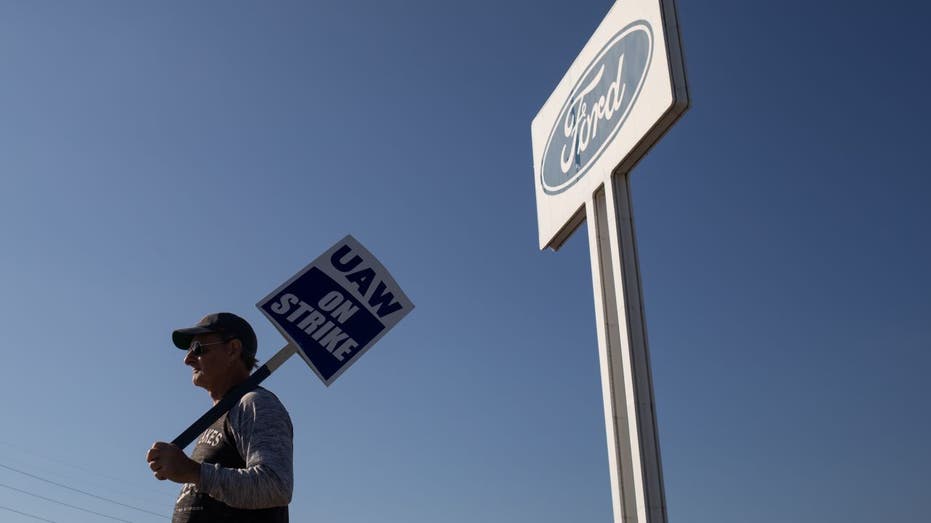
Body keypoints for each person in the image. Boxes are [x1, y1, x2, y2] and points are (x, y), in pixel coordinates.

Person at [146, 312, 293, 522]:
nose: (187, 359)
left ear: (233, 349)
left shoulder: (254, 404)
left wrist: (192, 471)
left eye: (197, 349)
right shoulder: (220, 418)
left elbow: (276, 485)